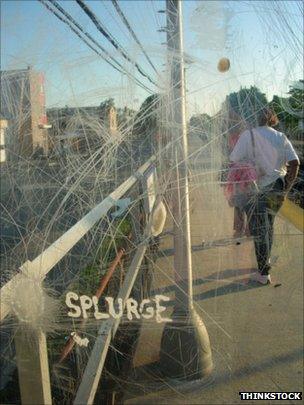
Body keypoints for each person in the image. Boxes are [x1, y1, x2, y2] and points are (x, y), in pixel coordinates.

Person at [230, 107, 299, 284]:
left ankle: (263, 274)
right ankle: (265, 262)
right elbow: (294, 163)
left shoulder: (248, 135)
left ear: (253, 118)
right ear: (272, 119)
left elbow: (234, 159)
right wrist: (287, 189)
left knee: (259, 230)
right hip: (277, 186)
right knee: (269, 226)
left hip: (256, 188)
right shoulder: (280, 136)